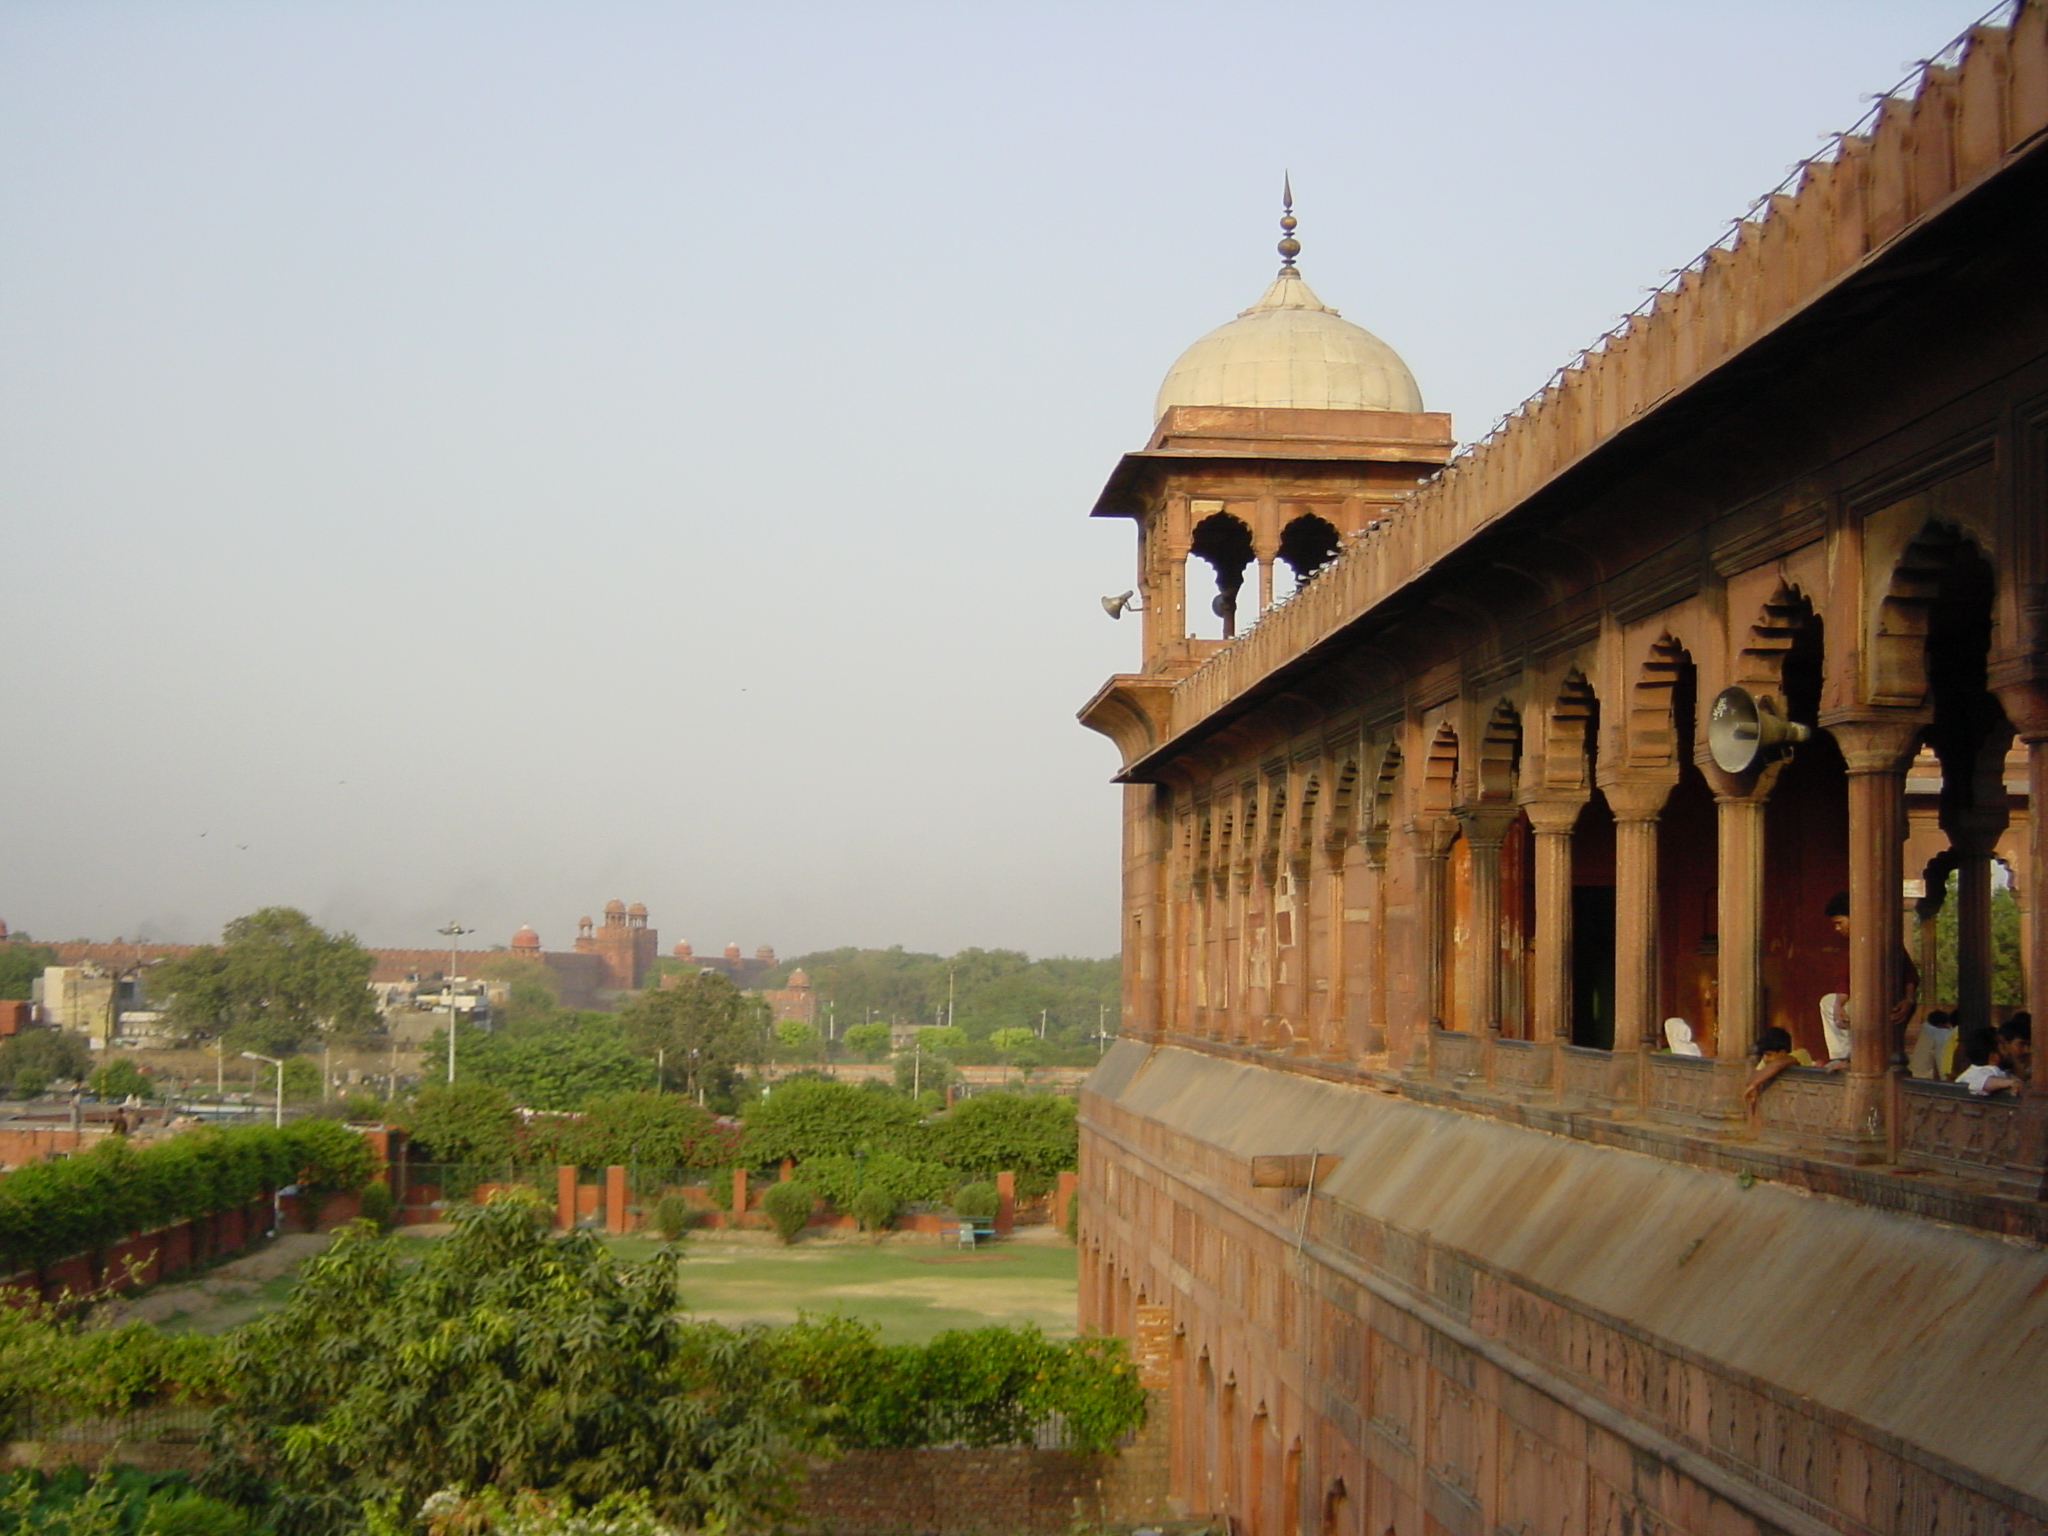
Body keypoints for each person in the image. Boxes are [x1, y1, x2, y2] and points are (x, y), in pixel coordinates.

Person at [1818, 892, 1919, 1071]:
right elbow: (1844, 980)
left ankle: (1852, 1059)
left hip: (1885, 1006)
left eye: (1839, 923)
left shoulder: (1884, 939)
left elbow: (1909, 974)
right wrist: (1838, 1006)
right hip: (1864, 1004)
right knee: (1828, 1002)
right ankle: (1842, 1056)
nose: (1837, 929)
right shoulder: (1855, 946)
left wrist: (1908, 1000)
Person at [1744, 1026, 1801, 1109]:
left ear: (1782, 1052)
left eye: (1769, 1055)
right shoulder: (1767, 1061)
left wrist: (1755, 1083)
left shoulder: (1800, 1054)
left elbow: (1779, 1064)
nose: (1765, 1058)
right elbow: (1750, 1079)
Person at [1955, 1026, 2021, 1096]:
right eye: (2004, 1046)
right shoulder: (1987, 1070)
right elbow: (1979, 1082)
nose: (2009, 1050)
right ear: (1994, 1057)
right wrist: (2011, 1083)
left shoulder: (1976, 1070)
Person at [1909, 1008, 1956, 1081]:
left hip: (1914, 1073)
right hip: (1927, 1076)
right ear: (1941, 1025)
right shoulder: (1940, 1034)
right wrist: (1945, 1078)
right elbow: (1940, 1057)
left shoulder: (1925, 1032)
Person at [1997, 1012, 2032, 1083]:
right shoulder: (1990, 1073)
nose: (2027, 1050)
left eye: (2029, 1045)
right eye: (2021, 1044)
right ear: (2004, 1044)